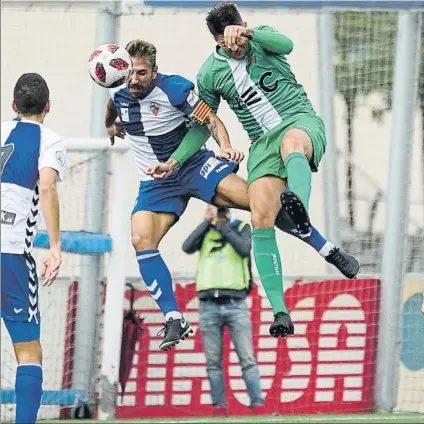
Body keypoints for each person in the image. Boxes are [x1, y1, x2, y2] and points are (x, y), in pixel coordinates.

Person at [107, 39, 359, 350]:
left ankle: (328, 250)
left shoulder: (176, 89)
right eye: (130, 73)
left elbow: (210, 120)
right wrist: (111, 127)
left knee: (261, 205)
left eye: (142, 73)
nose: (134, 80)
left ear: (154, 71)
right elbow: (112, 111)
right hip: (156, 182)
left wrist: (225, 147)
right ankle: (174, 318)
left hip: (192, 165)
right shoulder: (117, 92)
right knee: (140, 239)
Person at [194, 2, 350, 338]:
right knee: (260, 217)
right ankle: (280, 312)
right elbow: (205, 117)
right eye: (226, 43)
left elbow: (287, 45)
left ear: (244, 26)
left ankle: (300, 207)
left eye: (236, 38)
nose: (233, 47)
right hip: (261, 144)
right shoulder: (209, 73)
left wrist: (249, 34)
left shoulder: (262, 39)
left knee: (292, 144)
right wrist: (202, 150)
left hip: (299, 120)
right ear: (216, 41)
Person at [1, 73, 66, 424]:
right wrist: (55, 246)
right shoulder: (49, 140)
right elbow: (47, 188)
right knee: (28, 352)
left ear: (13, 106)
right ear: (48, 107)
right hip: (10, 253)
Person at [182, 206, 264, 415]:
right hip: (208, 303)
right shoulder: (205, 231)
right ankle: (219, 405)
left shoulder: (242, 227)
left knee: (247, 358)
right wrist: (206, 222)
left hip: (235, 302)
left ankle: (257, 403)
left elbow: (244, 249)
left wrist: (225, 226)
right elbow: (187, 246)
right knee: (213, 362)